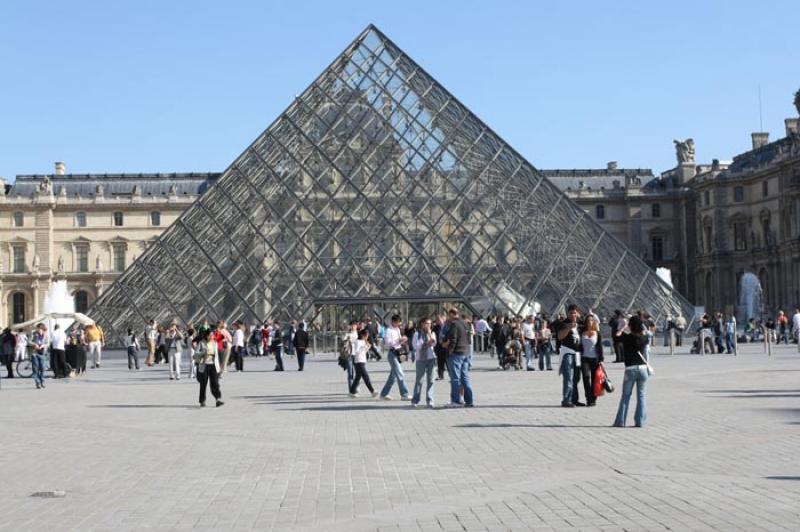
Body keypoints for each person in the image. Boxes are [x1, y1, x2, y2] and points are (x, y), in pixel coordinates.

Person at [613, 316, 650, 428]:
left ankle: (620, 421)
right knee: (641, 396)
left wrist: (623, 327)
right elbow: (645, 333)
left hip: (630, 369)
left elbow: (616, 336)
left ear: (630, 326)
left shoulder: (627, 337)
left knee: (626, 396)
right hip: (643, 369)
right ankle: (640, 422)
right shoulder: (644, 338)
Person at [444, 308, 474, 408]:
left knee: (455, 378)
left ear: (452, 315)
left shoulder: (454, 324)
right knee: (465, 377)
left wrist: (449, 351)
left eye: (448, 315)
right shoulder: (465, 323)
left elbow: (453, 339)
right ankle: (469, 400)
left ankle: (456, 401)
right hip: (465, 353)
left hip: (456, 353)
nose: (448, 317)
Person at [380, 314, 410, 400]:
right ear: (393, 321)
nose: (399, 324)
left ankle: (384, 393)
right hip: (392, 353)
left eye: (399, 322)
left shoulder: (397, 329)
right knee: (400, 373)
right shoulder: (388, 330)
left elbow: (399, 340)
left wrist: (402, 340)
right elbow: (388, 343)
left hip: (398, 352)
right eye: (397, 322)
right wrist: (398, 340)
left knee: (393, 376)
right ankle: (404, 394)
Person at [558, 305, 583, 407]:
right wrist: (568, 328)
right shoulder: (564, 324)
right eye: (571, 313)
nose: (573, 314)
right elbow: (560, 337)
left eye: (575, 312)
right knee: (568, 377)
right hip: (568, 353)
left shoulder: (580, 324)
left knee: (576, 378)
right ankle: (566, 400)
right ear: (568, 313)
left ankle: (574, 399)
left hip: (577, 354)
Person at [411, 317, 437, 408]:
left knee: (431, 380)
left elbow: (433, 343)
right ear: (422, 324)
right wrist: (425, 342)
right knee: (419, 380)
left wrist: (429, 335)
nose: (428, 325)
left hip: (431, 358)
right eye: (426, 323)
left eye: (430, 324)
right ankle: (415, 400)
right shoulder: (417, 334)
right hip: (420, 359)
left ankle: (430, 400)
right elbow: (416, 346)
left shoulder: (432, 333)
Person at [194, 330, 224, 407]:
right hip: (204, 365)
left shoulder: (215, 343)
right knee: (203, 384)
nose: (211, 337)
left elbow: (217, 356)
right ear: (206, 336)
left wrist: (219, 367)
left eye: (212, 335)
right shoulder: (201, 343)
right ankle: (202, 400)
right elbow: (196, 354)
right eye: (210, 335)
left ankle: (218, 399)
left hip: (213, 365)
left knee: (215, 383)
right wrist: (203, 352)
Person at [580, 315, 604, 407]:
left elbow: (600, 347)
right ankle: (588, 397)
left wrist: (601, 359)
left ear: (594, 322)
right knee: (586, 377)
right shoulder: (582, 332)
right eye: (588, 320)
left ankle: (593, 398)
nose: (590, 322)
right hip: (584, 358)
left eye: (591, 320)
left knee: (595, 379)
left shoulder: (597, 333)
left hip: (595, 359)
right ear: (585, 322)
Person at [349, 328, 378, 397]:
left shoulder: (363, 341)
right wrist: (363, 346)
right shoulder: (357, 341)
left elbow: (364, 351)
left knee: (358, 377)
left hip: (362, 360)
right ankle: (372, 391)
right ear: (362, 335)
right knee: (366, 376)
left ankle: (352, 391)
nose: (367, 337)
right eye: (366, 336)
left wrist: (368, 347)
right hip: (358, 361)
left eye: (367, 336)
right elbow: (356, 351)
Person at [342, 320, 359, 392]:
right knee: (350, 372)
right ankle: (351, 389)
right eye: (351, 325)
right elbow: (343, 340)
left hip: (356, 354)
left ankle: (356, 386)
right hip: (349, 354)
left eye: (354, 325)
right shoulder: (347, 333)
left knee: (357, 372)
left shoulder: (358, 333)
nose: (353, 327)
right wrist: (346, 333)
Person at [31, 323, 48, 389]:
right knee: (35, 369)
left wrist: (43, 345)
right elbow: (29, 341)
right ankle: (38, 383)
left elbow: (48, 343)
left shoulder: (46, 335)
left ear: (43, 329)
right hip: (35, 353)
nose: (38, 330)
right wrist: (35, 344)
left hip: (42, 353)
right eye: (38, 329)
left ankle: (42, 381)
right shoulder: (33, 334)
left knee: (42, 368)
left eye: (40, 329)